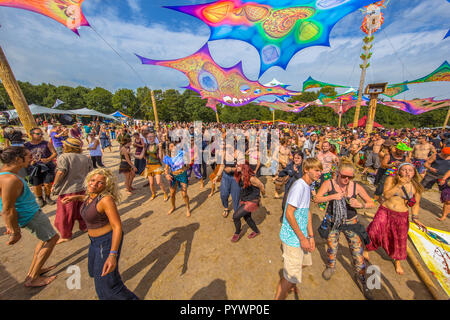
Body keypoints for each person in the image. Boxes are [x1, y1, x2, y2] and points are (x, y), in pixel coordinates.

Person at [62, 168, 139, 300]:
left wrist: (113, 255)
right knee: (94, 272)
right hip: (94, 242)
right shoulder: (90, 195)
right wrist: (75, 197)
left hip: (106, 242)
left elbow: (117, 227)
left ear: (106, 186)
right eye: (92, 180)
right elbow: (88, 198)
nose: (94, 184)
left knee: (106, 287)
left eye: (100, 183)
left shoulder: (106, 200)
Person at [315, 160, 376, 299]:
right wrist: (332, 196)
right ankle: (331, 267)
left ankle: (362, 279)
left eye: (350, 177)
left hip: (351, 222)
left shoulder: (356, 187)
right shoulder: (329, 183)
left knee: (357, 252)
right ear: (337, 173)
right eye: (343, 176)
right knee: (332, 247)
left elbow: (371, 203)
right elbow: (317, 199)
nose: (346, 179)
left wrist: (360, 205)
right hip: (333, 222)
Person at [0, 147, 60, 287]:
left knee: (43, 239)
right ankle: (32, 278)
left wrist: (11, 225)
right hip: (30, 215)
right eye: (28, 156)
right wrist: (15, 231)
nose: (31, 158)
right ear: (17, 159)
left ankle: (36, 269)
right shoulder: (10, 179)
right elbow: (8, 209)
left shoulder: (5, 175)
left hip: (28, 214)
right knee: (52, 239)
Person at [365, 163, 427, 275]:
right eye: (404, 170)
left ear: (414, 173)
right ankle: (366, 249)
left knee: (399, 239)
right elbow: (386, 196)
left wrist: (415, 218)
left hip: (401, 215)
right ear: (399, 171)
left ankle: (397, 261)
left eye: (410, 170)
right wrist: (399, 185)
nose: (407, 172)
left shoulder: (416, 187)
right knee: (374, 231)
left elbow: (416, 204)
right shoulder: (391, 180)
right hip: (385, 210)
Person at [275, 158, 322, 300]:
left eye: (320, 170)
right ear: (306, 169)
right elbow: (289, 213)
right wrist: (302, 238)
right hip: (293, 239)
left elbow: (307, 211)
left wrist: (311, 236)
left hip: (302, 236)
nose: (319, 173)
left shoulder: (308, 186)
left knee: (304, 263)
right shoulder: (299, 187)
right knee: (290, 278)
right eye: (316, 170)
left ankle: (290, 282)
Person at [51, 138, 93, 243]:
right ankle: (84, 227)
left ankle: (65, 235)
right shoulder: (85, 158)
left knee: (65, 214)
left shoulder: (64, 157)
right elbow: (90, 172)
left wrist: (55, 184)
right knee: (82, 209)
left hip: (68, 189)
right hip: (83, 188)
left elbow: (61, 172)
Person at [231, 163, 266, 242]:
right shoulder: (240, 174)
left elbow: (261, 185)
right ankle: (256, 231)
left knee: (235, 216)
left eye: (238, 165)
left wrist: (263, 195)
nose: (236, 166)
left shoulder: (252, 178)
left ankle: (237, 232)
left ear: (244, 167)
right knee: (247, 217)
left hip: (252, 201)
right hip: (245, 198)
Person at [24, 127, 57, 207]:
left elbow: (54, 153)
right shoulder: (26, 145)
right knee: (36, 184)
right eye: (38, 134)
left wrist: (48, 159)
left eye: (41, 133)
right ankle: (39, 198)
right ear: (31, 135)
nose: (41, 135)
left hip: (47, 166)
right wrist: (29, 162)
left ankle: (48, 197)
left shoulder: (46, 143)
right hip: (34, 167)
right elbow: (23, 156)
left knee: (47, 183)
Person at [163, 140, 191, 217]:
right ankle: (173, 207)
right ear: (169, 148)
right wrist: (166, 175)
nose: (174, 148)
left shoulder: (181, 153)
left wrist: (187, 165)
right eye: (171, 146)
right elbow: (166, 168)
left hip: (182, 175)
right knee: (172, 194)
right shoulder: (167, 157)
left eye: (174, 146)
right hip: (173, 176)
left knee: (184, 194)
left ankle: (188, 208)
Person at [422, 147, 450, 221]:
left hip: (444, 178)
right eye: (445, 154)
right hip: (431, 175)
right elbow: (426, 164)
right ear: (442, 152)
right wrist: (431, 168)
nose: (446, 156)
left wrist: (444, 178)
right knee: (420, 188)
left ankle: (444, 216)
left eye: (448, 154)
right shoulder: (436, 156)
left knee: (447, 198)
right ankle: (412, 201)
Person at [140, 130, 169, 201]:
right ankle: (153, 193)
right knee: (151, 183)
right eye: (149, 137)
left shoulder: (158, 145)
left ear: (154, 137)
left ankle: (165, 193)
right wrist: (131, 155)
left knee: (159, 182)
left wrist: (160, 149)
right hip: (149, 166)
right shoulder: (146, 146)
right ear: (147, 137)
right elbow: (141, 157)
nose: (150, 138)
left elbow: (160, 157)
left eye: (152, 136)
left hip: (157, 165)